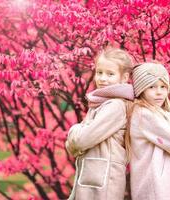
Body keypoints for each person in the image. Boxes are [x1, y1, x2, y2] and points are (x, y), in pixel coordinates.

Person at [65, 47, 135, 200]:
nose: (103, 78)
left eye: (110, 74)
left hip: (104, 181)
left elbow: (82, 140)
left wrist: (74, 130)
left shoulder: (115, 106)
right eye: (99, 72)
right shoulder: (101, 103)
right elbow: (76, 145)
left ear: (124, 77)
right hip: (93, 176)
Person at [128, 62, 170, 200]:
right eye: (152, 87)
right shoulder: (143, 114)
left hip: (167, 184)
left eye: (163, 87)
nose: (159, 92)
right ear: (141, 90)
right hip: (155, 187)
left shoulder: (163, 115)